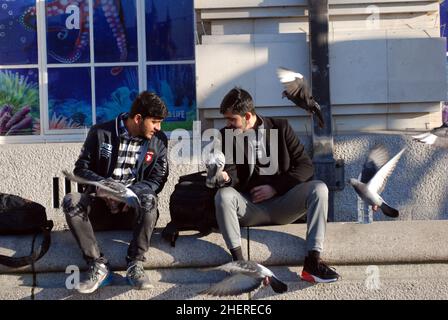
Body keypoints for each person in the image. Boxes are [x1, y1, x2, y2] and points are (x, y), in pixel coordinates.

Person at [214, 87, 340, 283]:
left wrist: (275, 188)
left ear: (247, 116)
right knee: (223, 195)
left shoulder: (280, 127)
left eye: (232, 120)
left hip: (283, 204)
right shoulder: (225, 135)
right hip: (249, 207)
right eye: (227, 120)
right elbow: (232, 175)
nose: (228, 124)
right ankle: (240, 265)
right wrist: (225, 178)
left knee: (319, 189)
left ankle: (313, 263)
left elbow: (306, 166)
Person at [62, 91, 169, 293]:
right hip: (101, 210)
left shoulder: (159, 141)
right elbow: (81, 169)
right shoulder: (101, 132)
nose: (158, 128)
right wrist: (105, 187)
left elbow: (158, 179)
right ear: (138, 118)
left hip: (133, 211)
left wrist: (128, 193)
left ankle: (135, 264)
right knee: (71, 200)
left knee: (149, 199)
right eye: (155, 122)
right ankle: (97, 265)